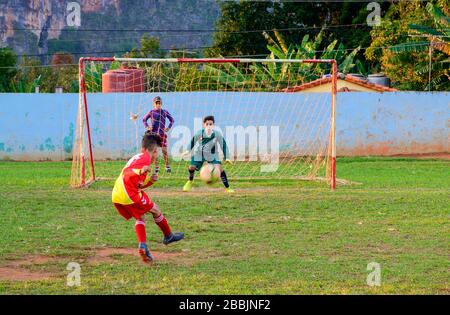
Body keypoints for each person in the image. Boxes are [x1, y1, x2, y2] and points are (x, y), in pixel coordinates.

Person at [112, 133, 184, 262]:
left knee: (141, 216)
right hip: (128, 192)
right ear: (155, 151)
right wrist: (140, 171)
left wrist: (150, 181)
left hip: (118, 192)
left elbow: (137, 183)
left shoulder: (138, 157)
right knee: (155, 210)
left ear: (142, 148)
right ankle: (168, 236)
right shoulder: (145, 159)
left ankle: (143, 245)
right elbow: (129, 174)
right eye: (158, 153)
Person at [182, 115, 234, 193]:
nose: (209, 126)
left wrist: (227, 157)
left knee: (219, 168)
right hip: (200, 153)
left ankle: (228, 187)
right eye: (207, 124)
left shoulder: (217, 134)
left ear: (213, 125)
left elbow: (224, 145)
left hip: (212, 155)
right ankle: (190, 181)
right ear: (204, 125)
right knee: (191, 167)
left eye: (211, 124)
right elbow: (193, 141)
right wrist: (187, 150)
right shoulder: (200, 133)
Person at [142, 96, 174, 174]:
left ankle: (167, 166)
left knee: (164, 151)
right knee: (154, 152)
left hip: (162, 134)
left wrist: (168, 128)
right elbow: (144, 120)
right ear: (154, 104)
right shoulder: (151, 112)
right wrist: (147, 127)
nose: (158, 104)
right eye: (157, 103)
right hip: (153, 135)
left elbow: (172, 120)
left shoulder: (165, 112)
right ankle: (156, 167)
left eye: (159, 103)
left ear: (161, 104)